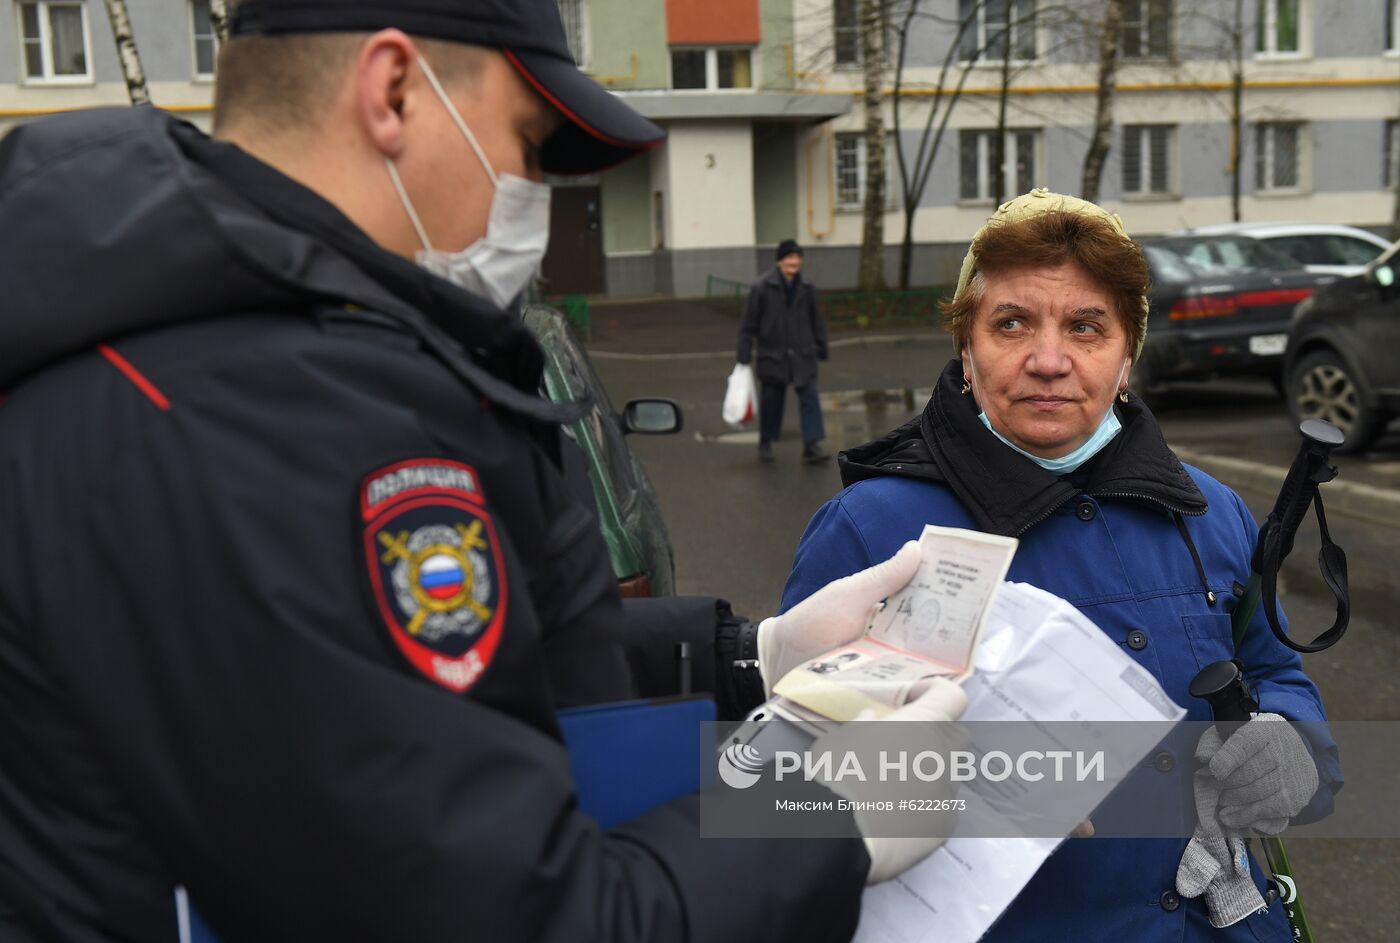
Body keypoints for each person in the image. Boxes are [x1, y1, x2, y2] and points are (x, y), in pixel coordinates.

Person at [0, 2, 969, 941]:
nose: (530, 193)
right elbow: (490, 913)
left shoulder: (222, 350)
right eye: (525, 141)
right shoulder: (264, 409)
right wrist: (820, 819)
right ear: (391, 91)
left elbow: (397, 675)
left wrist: (745, 659)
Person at [779, 189, 1341, 941]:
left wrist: (1292, 745)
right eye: (1012, 323)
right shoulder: (871, 529)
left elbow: (1271, 671)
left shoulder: (1209, 512)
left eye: (1086, 326)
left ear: (1126, 356)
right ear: (968, 351)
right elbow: (783, 791)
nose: (1049, 360)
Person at [737, 238, 831, 464]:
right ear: (780, 261)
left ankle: (812, 445)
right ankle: (766, 442)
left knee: (810, 398)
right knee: (772, 401)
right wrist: (744, 353)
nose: (794, 262)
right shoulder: (762, 287)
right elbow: (749, 323)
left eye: (797, 257)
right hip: (773, 354)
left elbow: (815, 319)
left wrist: (822, 344)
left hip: (802, 353)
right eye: (789, 257)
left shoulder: (806, 287)